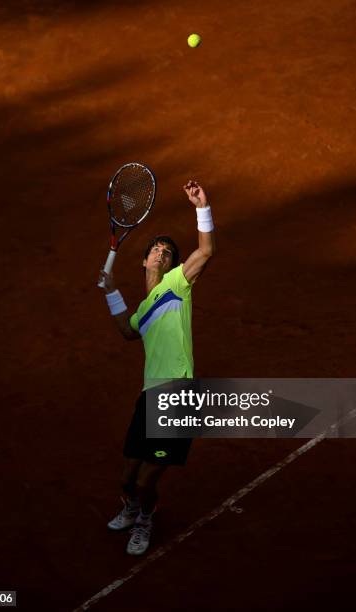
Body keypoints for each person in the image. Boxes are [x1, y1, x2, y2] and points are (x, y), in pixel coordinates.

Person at [98, 179, 215, 555]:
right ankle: (132, 508)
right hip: (149, 397)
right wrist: (111, 291)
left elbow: (206, 250)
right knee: (128, 477)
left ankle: (145, 519)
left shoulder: (178, 284)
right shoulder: (145, 311)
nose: (161, 254)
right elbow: (127, 331)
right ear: (144, 260)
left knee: (148, 479)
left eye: (167, 252)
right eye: (156, 250)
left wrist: (201, 206)